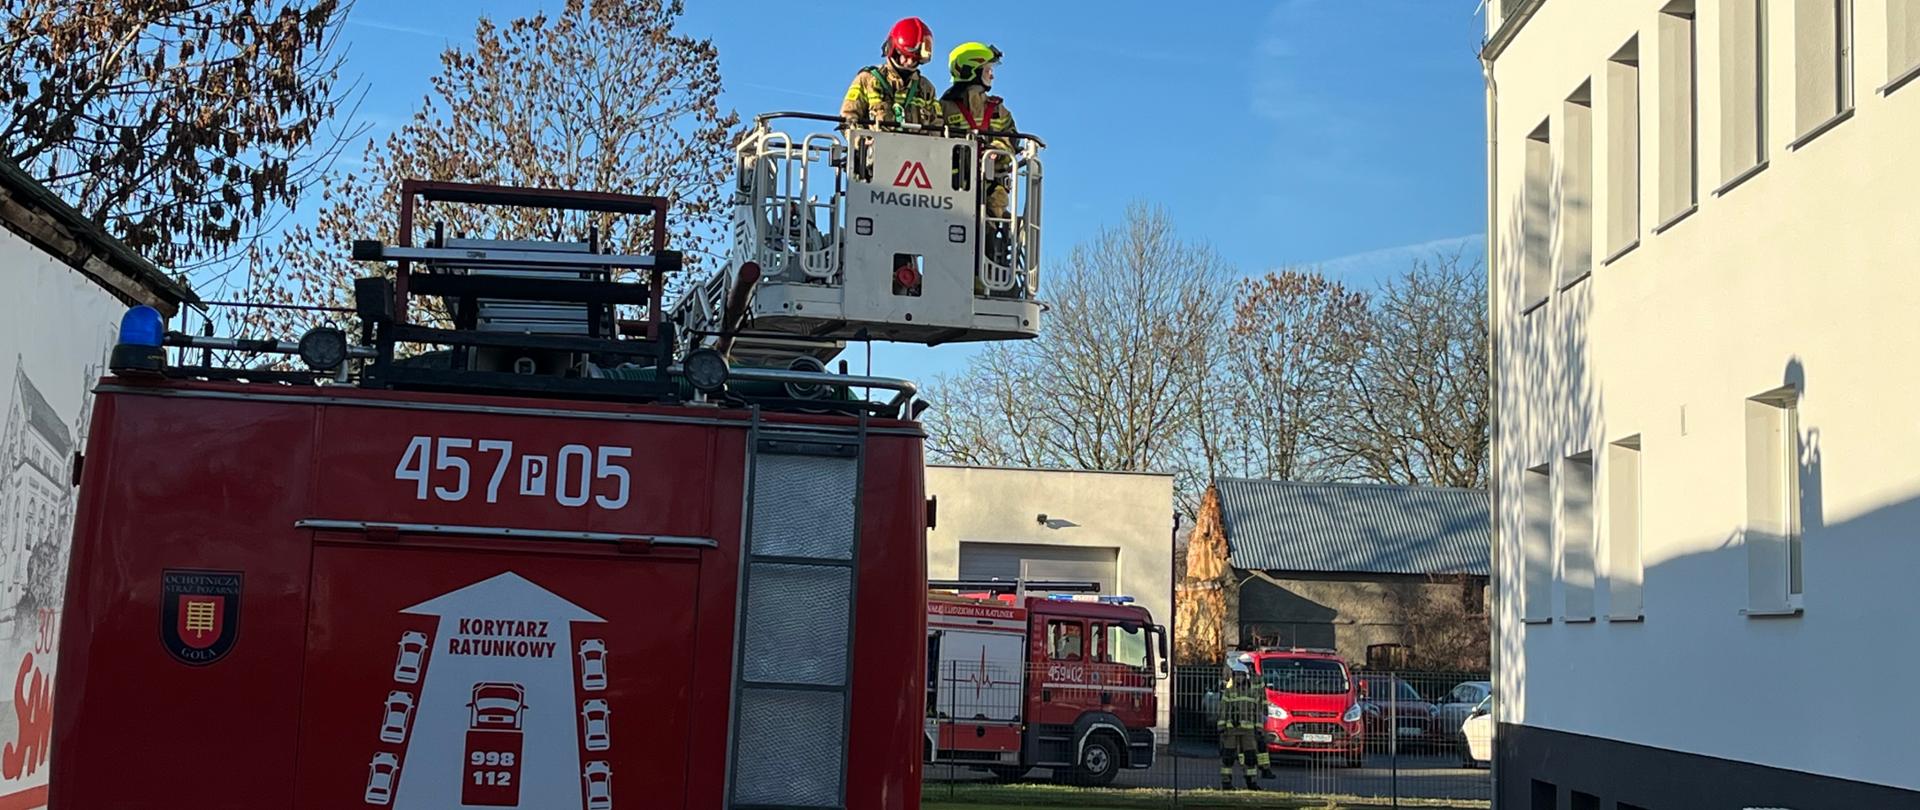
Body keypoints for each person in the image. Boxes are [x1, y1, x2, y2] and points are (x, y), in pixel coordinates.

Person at [841, 17, 941, 129]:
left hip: (920, 146)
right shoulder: (867, 80)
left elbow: (937, 125)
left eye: (915, 59)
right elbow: (848, 116)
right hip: (877, 145)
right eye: (906, 56)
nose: (910, 62)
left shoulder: (926, 88)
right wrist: (862, 141)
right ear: (894, 51)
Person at [1217, 653, 1276, 790]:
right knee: (1228, 757)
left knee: (1250, 757)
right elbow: (1223, 710)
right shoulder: (1229, 691)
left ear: (1246, 675)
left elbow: (1257, 710)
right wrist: (1221, 726)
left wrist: (1259, 727)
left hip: (1248, 731)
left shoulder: (1252, 692)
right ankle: (1226, 783)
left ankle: (1252, 783)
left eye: (1241, 675)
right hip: (1231, 729)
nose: (1239, 677)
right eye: (1236, 675)